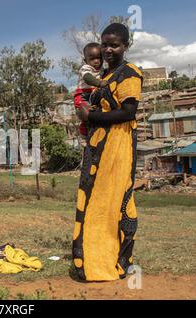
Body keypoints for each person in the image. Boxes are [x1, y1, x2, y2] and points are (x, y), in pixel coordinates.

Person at [72, 23, 143, 282]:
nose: (108, 49)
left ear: (125, 46)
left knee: (119, 202)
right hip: (96, 147)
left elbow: (128, 112)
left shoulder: (129, 73)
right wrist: (86, 113)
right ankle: (88, 262)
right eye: (105, 45)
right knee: (92, 203)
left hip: (118, 147)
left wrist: (95, 116)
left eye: (114, 45)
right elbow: (88, 103)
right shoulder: (104, 75)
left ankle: (119, 261)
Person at [74, 43, 108, 138]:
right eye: (92, 59)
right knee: (85, 115)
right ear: (86, 60)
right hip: (82, 95)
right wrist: (99, 83)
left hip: (92, 94)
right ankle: (84, 133)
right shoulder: (86, 68)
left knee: (94, 113)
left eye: (99, 58)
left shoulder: (101, 69)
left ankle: (94, 131)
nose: (96, 61)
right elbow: (87, 78)